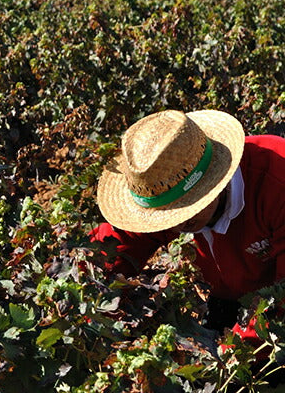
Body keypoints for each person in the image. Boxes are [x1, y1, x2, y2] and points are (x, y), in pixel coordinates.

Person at [91, 109, 285, 346]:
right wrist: (92, 293)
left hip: (272, 306)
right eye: (166, 215)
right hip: (225, 296)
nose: (177, 223)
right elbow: (118, 244)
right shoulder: (161, 182)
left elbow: (281, 299)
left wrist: (229, 355)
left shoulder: (277, 181)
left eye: (185, 208)